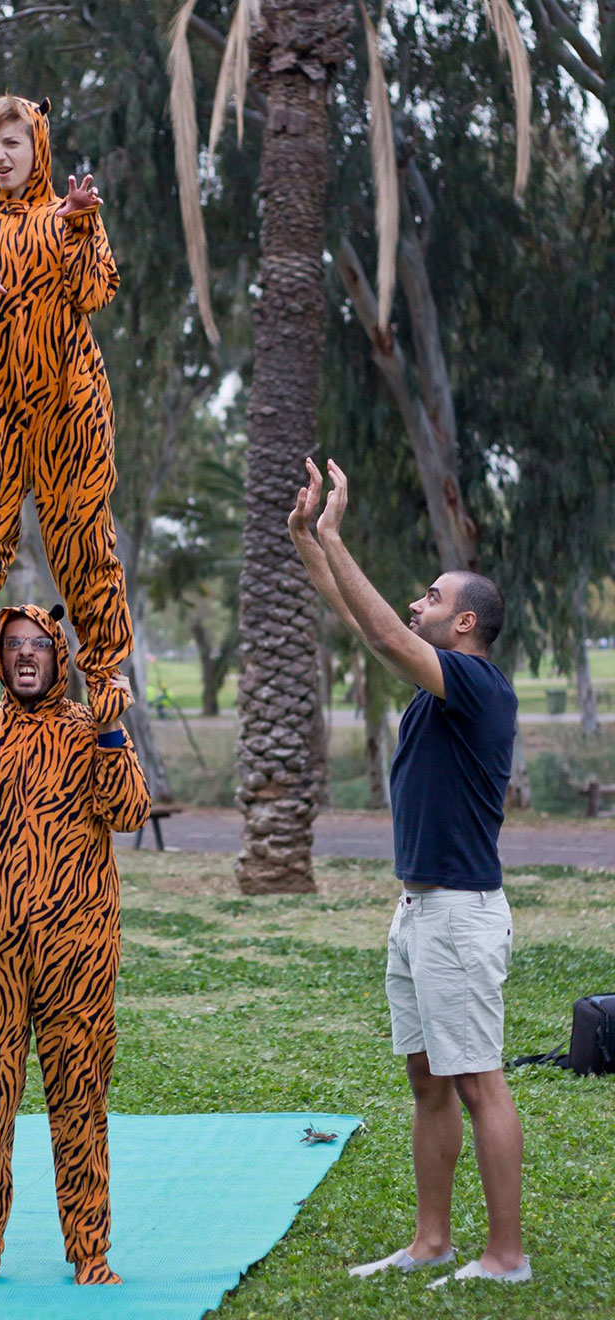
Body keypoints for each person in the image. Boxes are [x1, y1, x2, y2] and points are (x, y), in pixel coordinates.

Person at [288, 456, 531, 1287]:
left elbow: (388, 630)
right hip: (419, 913)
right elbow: (369, 624)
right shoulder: (438, 688)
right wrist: (309, 544)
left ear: (466, 624)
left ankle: (506, 1257)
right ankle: (431, 1241)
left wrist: (335, 534)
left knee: (479, 1086)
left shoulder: (479, 688)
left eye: (433, 595)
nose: (419, 602)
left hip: (461, 916)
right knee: (430, 1083)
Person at [0, 603, 151, 1286]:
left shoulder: (89, 730)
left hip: (76, 954)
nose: (26, 656)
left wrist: (111, 731)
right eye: (14, 646)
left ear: (59, 658)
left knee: (80, 1100)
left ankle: (90, 1251)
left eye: (38, 646)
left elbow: (130, 812)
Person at [0, 94, 132, 737]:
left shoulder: (74, 213)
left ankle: (104, 682)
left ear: (36, 147)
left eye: (11, 142)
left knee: (82, 540)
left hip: (70, 405)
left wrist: (72, 223)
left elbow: (95, 290)